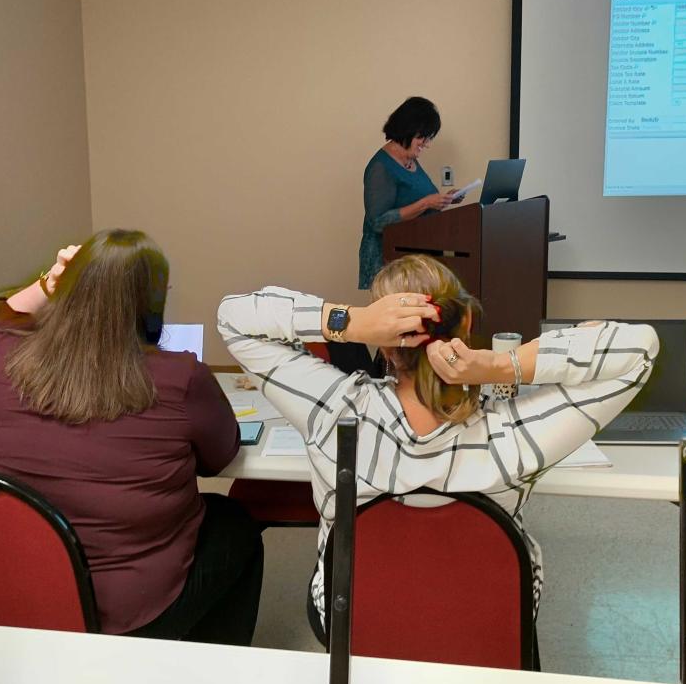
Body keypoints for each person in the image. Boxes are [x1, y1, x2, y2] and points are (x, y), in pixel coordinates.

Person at [217, 254, 658, 644]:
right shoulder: (513, 434)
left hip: (353, 621)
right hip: (491, 622)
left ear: (384, 344)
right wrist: (501, 364)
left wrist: (349, 322)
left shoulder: (334, 412)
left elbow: (233, 318)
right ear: (465, 325)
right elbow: (640, 350)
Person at [0, 229, 263, 645]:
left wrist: (49, 281)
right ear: (154, 301)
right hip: (127, 610)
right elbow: (220, 457)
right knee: (235, 524)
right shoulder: (180, 377)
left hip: (10, 591)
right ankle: (205, 669)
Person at [359, 97, 458, 291]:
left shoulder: (410, 159)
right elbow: (378, 222)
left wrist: (443, 200)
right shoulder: (381, 167)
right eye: (423, 137)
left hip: (414, 256)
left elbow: (416, 200)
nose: (426, 144)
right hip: (389, 263)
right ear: (408, 129)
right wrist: (426, 203)